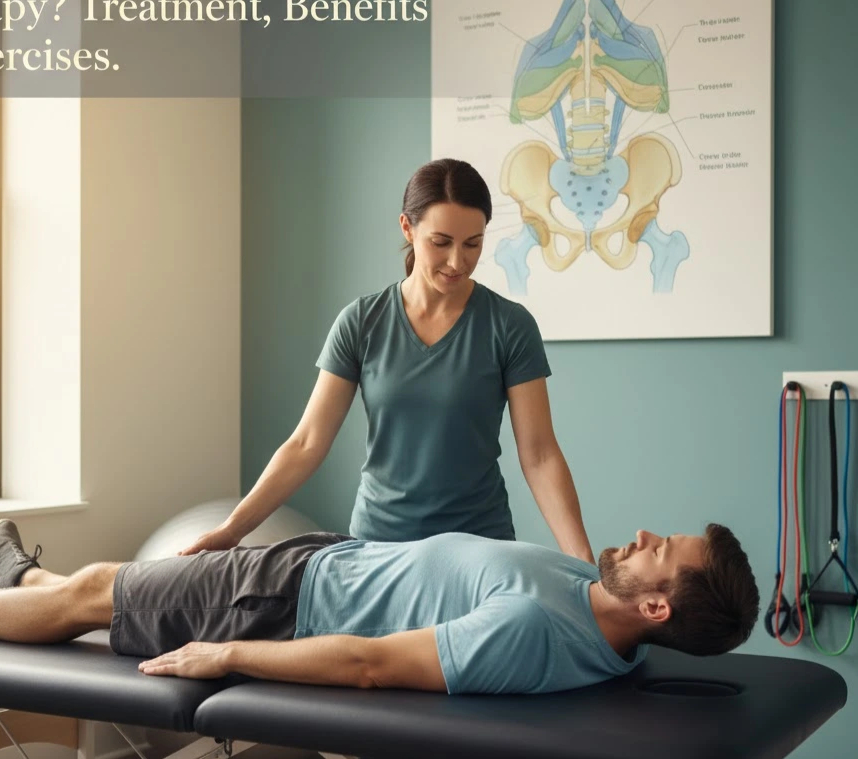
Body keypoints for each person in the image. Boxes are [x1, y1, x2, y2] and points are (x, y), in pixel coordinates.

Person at [185, 158, 594, 562]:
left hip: (479, 549)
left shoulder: (509, 325)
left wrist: (584, 567)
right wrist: (232, 529)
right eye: (441, 242)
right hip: (378, 549)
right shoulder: (361, 322)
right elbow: (307, 443)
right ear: (407, 228)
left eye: (473, 243)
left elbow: (540, 455)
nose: (457, 261)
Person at [0, 517, 759, 695]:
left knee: (99, 592)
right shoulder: (596, 607)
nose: (642, 533)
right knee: (100, 583)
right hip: (322, 560)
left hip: (279, 605)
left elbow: (374, 663)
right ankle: (22, 583)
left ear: (656, 612)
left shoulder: (534, 633)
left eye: (661, 551)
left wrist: (230, 657)